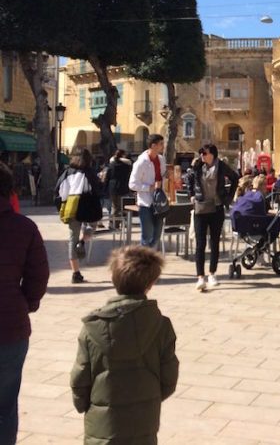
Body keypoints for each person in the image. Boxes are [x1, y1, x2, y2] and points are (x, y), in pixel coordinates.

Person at [70, 246, 178, 444]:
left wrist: (83, 404)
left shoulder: (92, 329)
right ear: (151, 284)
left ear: (113, 279)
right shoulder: (161, 326)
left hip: (102, 428)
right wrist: (149, 398)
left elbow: (80, 377)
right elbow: (169, 378)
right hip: (143, 422)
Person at [0, 162, 49, 445]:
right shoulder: (25, 227)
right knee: (5, 404)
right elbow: (38, 276)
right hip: (11, 327)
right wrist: (27, 303)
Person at [187, 143, 239, 291]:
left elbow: (235, 178)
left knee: (215, 241)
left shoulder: (221, 166)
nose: (202, 156)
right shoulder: (197, 166)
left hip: (216, 209)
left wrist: (228, 198)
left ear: (213, 155)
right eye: (201, 153)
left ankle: (212, 273)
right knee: (200, 243)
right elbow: (188, 179)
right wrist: (191, 195)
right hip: (201, 208)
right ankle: (200, 277)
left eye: (205, 153)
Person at [57, 148, 103, 283]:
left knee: (72, 238)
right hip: (89, 204)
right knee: (92, 225)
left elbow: (62, 192)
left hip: (72, 205)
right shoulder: (90, 173)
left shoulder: (67, 173)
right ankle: (83, 241)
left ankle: (75, 273)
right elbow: (97, 189)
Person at [129, 134, 167, 249]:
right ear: (153, 145)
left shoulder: (161, 159)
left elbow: (162, 176)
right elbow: (132, 184)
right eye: (161, 144)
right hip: (146, 203)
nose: (163, 146)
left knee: (156, 236)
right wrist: (149, 187)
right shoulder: (141, 162)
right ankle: (144, 262)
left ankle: (149, 257)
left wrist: (167, 177)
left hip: (159, 203)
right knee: (147, 236)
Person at [105, 149, 132, 218]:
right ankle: (117, 222)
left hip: (112, 188)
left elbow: (107, 177)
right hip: (123, 187)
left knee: (114, 206)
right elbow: (128, 176)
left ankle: (113, 222)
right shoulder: (126, 166)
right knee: (121, 206)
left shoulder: (111, 165)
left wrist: (106, 187)